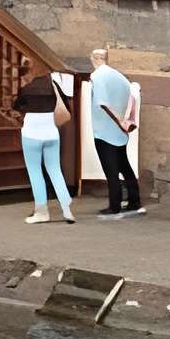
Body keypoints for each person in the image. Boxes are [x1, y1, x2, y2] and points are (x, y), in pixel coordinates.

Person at [15, 67, 77, 223]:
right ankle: (67, 210)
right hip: (52, 133)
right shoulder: (54, 86)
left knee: (35, 172)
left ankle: (42, 212)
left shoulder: (27, 89)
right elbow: (66, 106)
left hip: (31, 134)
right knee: (55, 170)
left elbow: (17, 105)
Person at [87, 46, 143, 217]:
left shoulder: (97, 76)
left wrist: (119, 120)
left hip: (104, 131)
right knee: (125, 166)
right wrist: (127, 121)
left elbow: (103, 103)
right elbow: (132, 96)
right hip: (120, 133)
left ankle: (115, 205)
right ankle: (134, 201)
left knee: (110, 170)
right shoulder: (119, 76)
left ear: (95, 58)